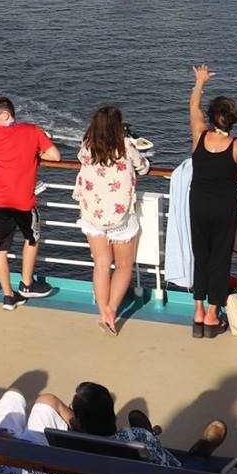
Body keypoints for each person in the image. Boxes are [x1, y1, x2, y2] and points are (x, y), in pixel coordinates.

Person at [186, 65, 237, 338]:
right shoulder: (236, 145)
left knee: (200, 255)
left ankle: (198, 311)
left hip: (198, 204)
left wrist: (199, 82)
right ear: (233, 120)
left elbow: (193, 109)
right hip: (223, 208)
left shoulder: (200, 135)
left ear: (212, 117)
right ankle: (213, 314)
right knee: (219, 258)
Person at [75, 104, 152, 335]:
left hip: (93, 217)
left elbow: (81, 158)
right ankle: (112, 309)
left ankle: (102, 312)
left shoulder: (87, 146)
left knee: (100, 264)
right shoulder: (127, 146)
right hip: (120, 218)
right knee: (124, 265)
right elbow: (144, 168)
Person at [0, 94, 60, 308]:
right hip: (23, 201)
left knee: (0, 249)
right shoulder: (33, 131)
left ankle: (8, 296)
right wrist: (33, 155)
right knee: (33, 238)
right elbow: (55, 155)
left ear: (4, 115)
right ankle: (27, 283)